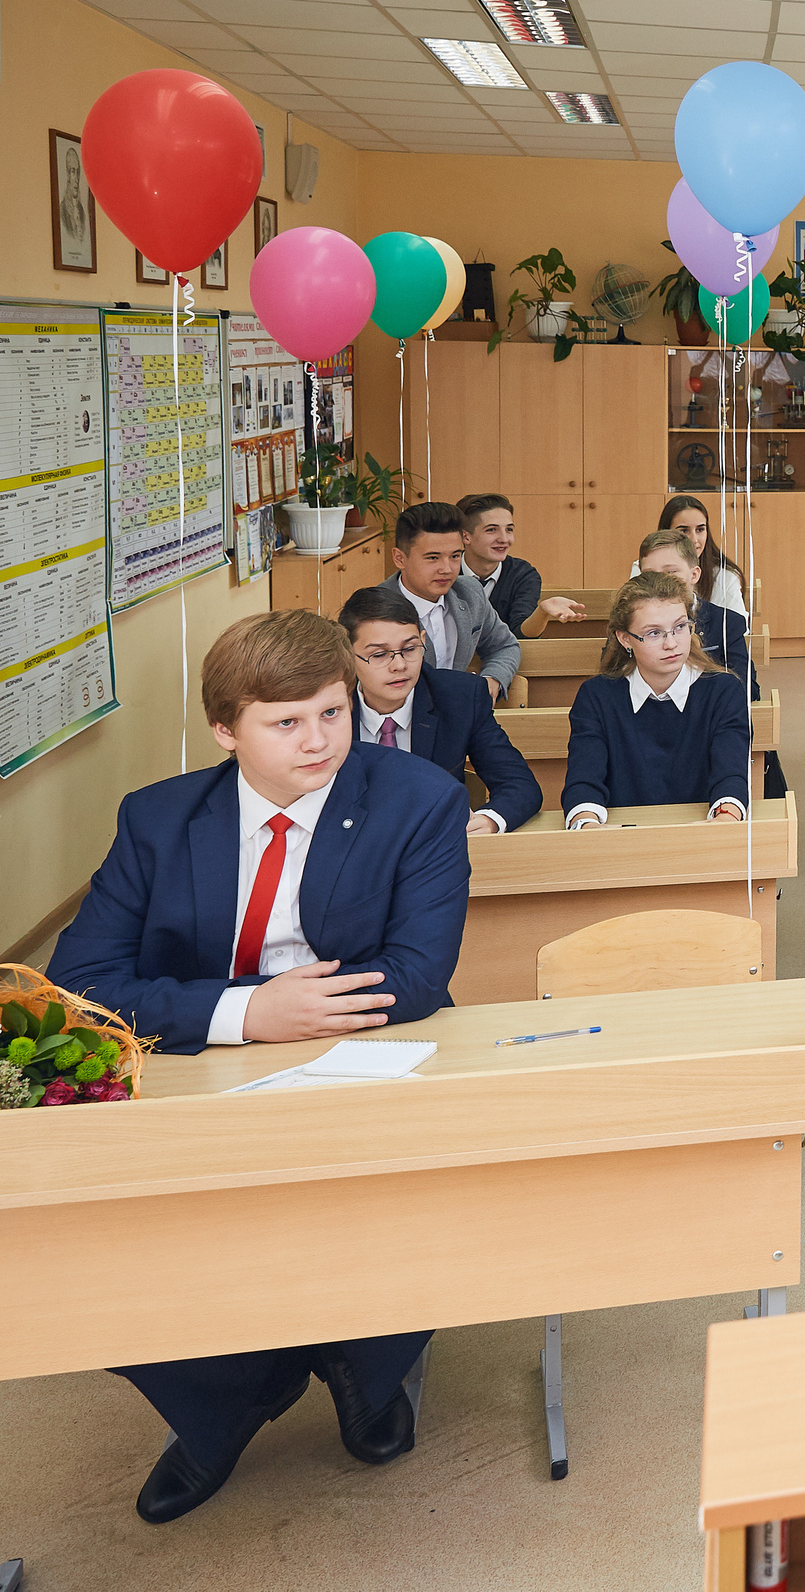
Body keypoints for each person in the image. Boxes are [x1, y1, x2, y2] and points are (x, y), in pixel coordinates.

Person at [48, 610, 466, 1522]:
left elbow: (419, 971)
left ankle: (364, 1361)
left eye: (331, 712)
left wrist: (302, 1018)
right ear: (226, 730)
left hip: (356, 1059)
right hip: (201, 1064)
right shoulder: (159, 818)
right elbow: (78, 985)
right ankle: (226, 1399)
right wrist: (245, 1012)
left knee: (417, 1187)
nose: (318, 741)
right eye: (286, 722)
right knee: (84, 1237)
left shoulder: (418, 798)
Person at [336, 586, 539, 834]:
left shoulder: (460, 697)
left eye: (410, 649)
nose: (399, 665)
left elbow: (519, 784)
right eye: (379, 655)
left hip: (432, 849)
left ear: (423, 641)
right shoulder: (326, 709)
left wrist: (488, 820)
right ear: (346, 655)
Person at [561, 572, 751, 830]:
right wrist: (588, 825)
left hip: (702, 837)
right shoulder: (596, 697)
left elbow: (730, 774)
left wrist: (725, 817)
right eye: (653, 633)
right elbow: (584, 781)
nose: (671, 643)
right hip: (621, 840)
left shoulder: (724, 691)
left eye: (680, 627)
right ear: (624, 638)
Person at [638, 529, 787, 798]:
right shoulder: (630, 626)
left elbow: (746, 688)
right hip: (649, 733)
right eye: (650, 575)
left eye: (671, 573)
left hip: (710, 730)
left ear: (694, 575)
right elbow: (614, 676)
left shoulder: (725, 622)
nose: (660, 584)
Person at [374, 500, 520, 701]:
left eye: (455, 556)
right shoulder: (371, 610)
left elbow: (504, 646)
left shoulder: (470, 592)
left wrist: (491, 680)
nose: (447, 569)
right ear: (400, 558)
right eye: (433, 558)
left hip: (460, 716)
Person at [457, 492, 583, 637]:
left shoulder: (523, 574)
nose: (504, 539)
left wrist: (542, 612)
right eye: (491, 530)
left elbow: (521, 633)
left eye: (509, 529)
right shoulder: (445, 571)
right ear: (466, 536)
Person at [633, 494, 747, 617]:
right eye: (684, 531)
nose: (694, 539)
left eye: (700, 530)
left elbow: (737, 626)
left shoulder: (725, 575)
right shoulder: (644, 567)